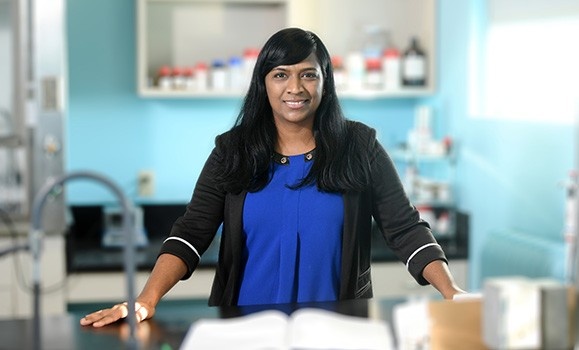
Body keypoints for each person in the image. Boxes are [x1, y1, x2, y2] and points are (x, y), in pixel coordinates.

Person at [81, 27, 465, 328]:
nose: (295, 88)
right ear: (263, 83)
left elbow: (406, 229)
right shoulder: (231, 152)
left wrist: (452, 293)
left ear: (325, 81)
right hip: (246, 329)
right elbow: (192, 232)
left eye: (308, 75)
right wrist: (146, 300)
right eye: (281, 74)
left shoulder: (359, 147)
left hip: (338, 330)